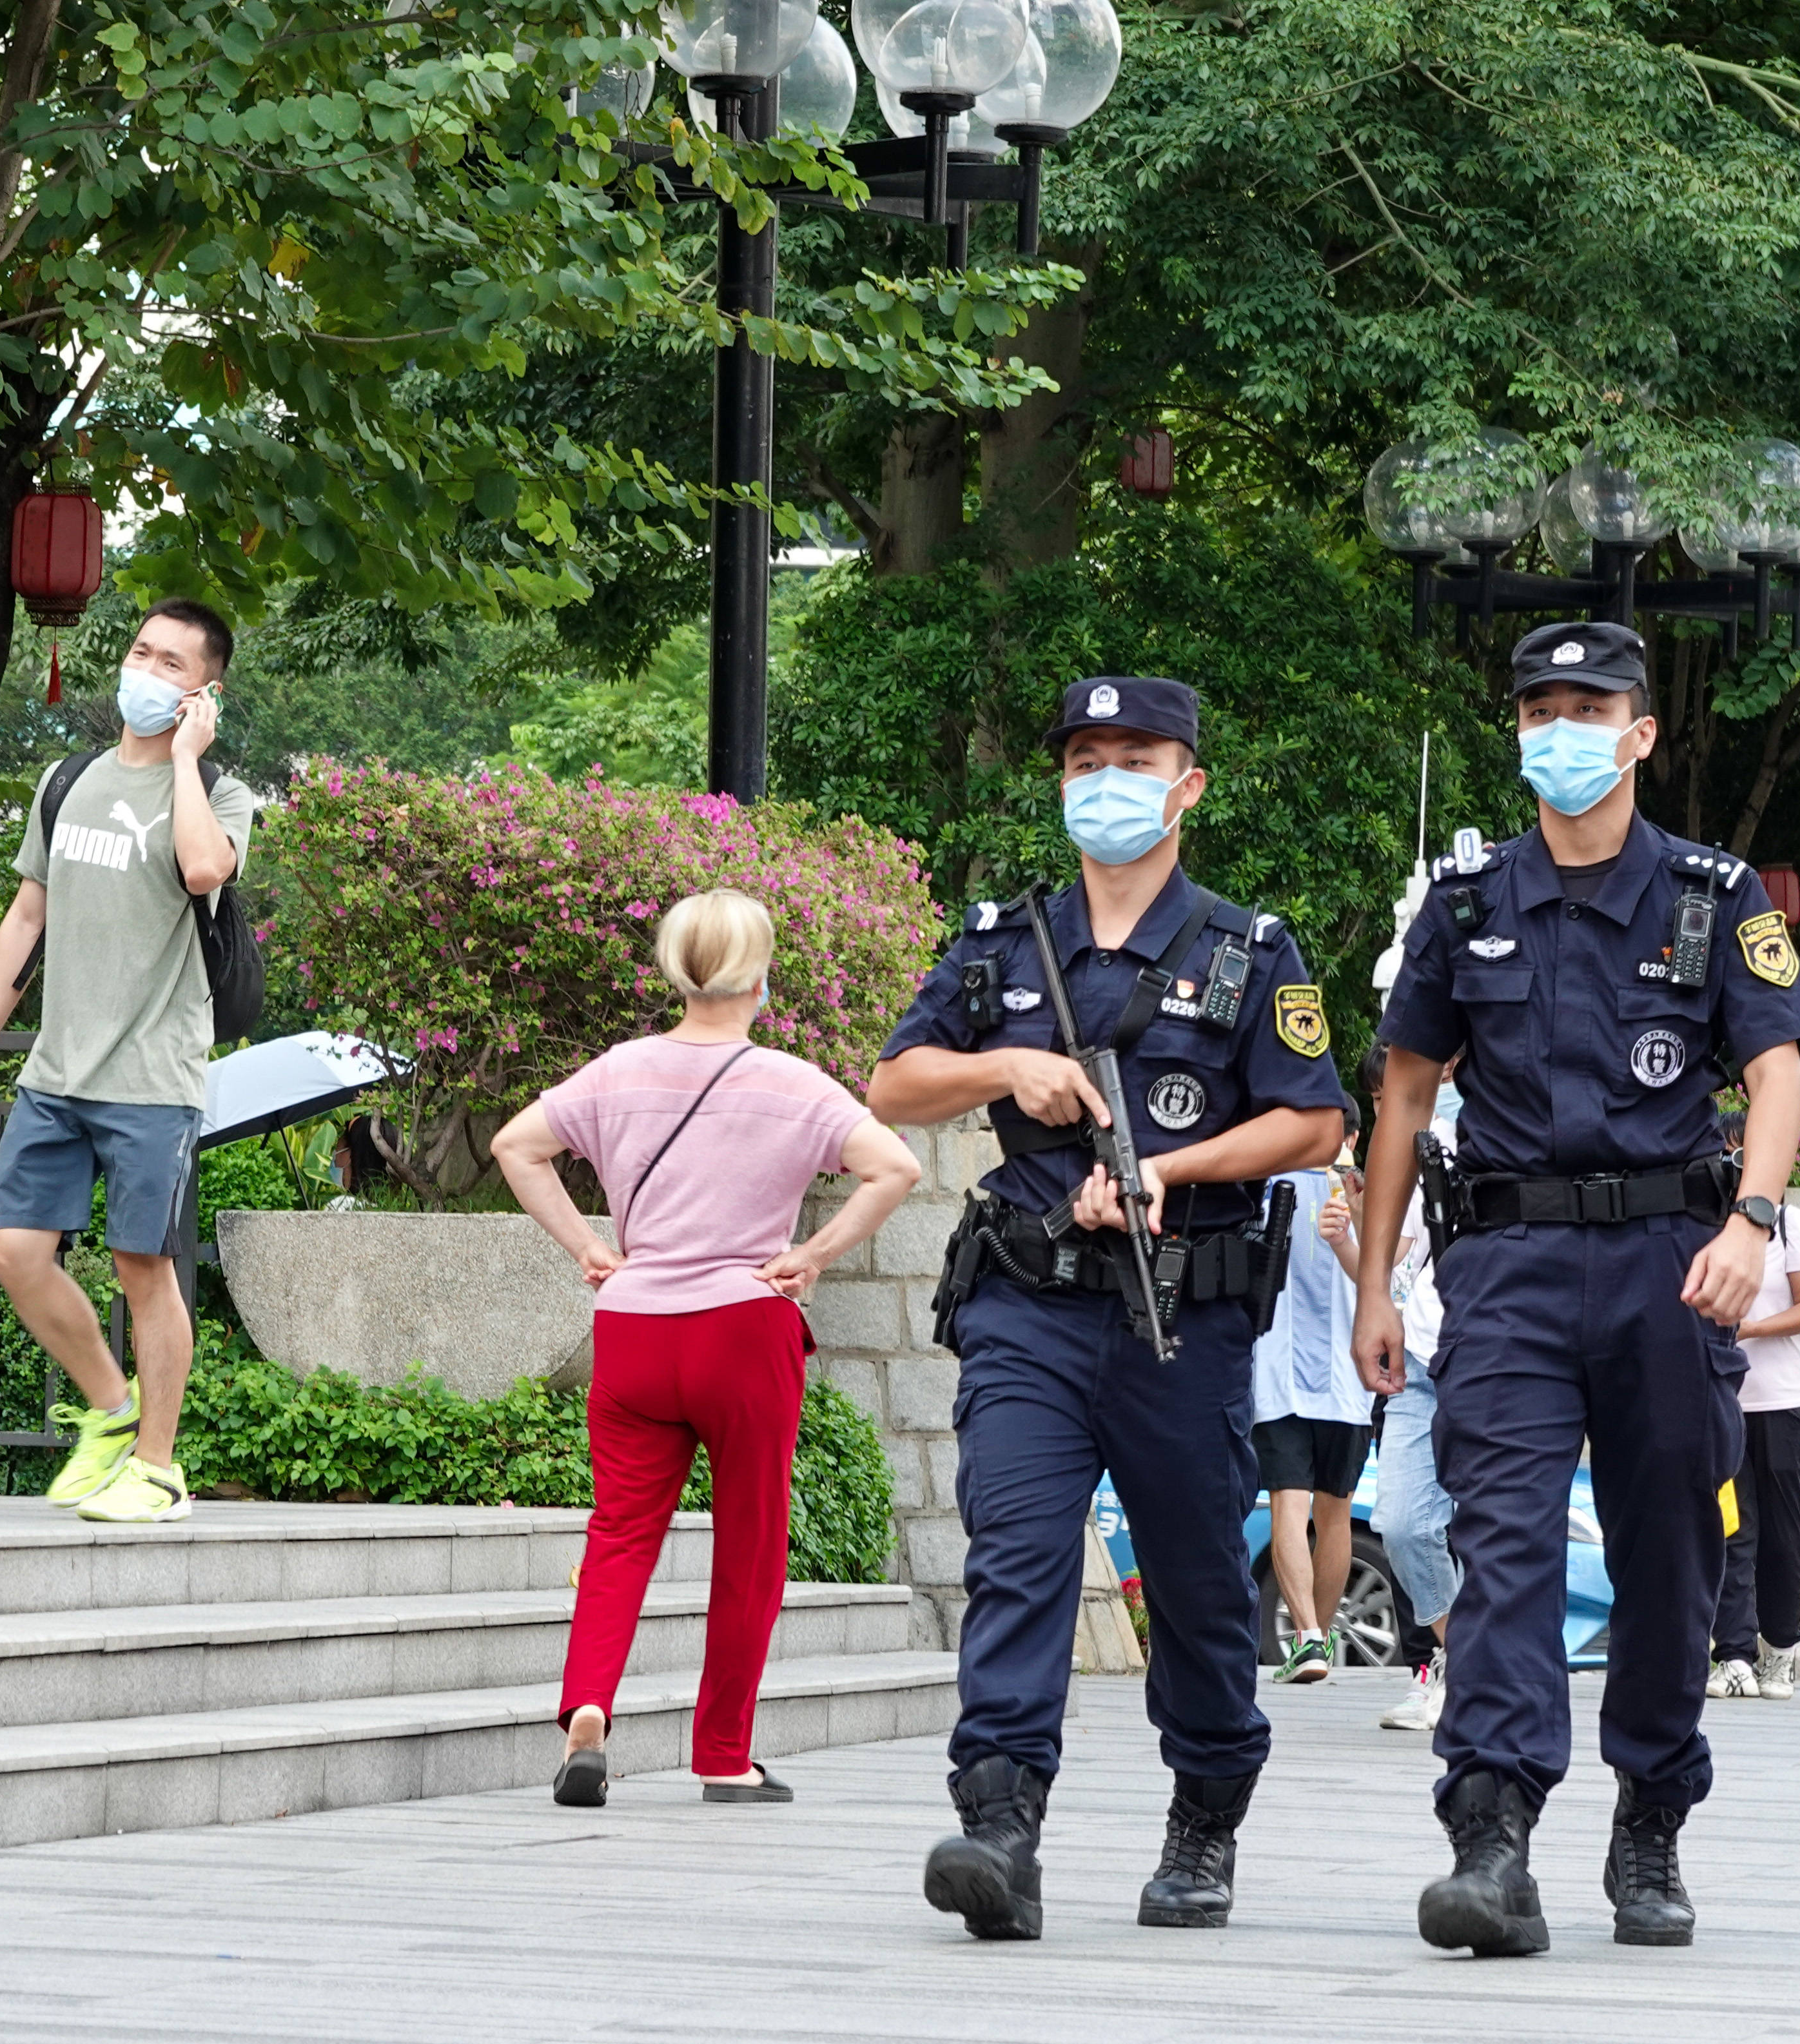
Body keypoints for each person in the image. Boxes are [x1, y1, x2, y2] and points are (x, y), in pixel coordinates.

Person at [1352, 620, 1800, 1957]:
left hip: (1671, 1266)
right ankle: (1492, 1833)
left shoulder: (1712, 892)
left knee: (1669, 1551)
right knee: (1501, 1539)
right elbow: (1401, 1096)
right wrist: (1377, 1288)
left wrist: (1754, 1219)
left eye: (1589, 707)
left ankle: (1652, 1818)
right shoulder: (1464, 905)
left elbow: (1779, 1071)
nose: (1562, 730)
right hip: (1504, 1266)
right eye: (1539, 709)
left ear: (1641, 732)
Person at [870, 674, 1345, 1942]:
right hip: (1028, 1308)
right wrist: (1002, 1064)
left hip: (1180, 1314)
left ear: (1188, 783)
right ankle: (999, 1824)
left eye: (1134, 757)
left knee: (1194, 1579)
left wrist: (1166, 1174)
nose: (1106, 779)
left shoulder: (1250, 951)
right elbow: (895, 1083)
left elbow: (1316, 1117)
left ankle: (1205, 1811)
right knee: (1017, 1554)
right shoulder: (1002, 942)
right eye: (1085, 757)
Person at [491, 890, 921, 1809]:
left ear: (672, 970)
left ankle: (587, 1711)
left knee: (618, 1534)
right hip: (744, 1324)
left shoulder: (619, 1071)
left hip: (635, 1325)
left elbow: (516, 1146)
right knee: (752, 1543)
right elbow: (898, 1168)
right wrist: (810, 1256)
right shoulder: (793, 1084)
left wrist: (587, 1246)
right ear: (760, 978)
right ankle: (724, 1754)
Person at [0, 599, 257, 1525]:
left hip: (152, 1079)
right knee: (13, 1251)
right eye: (140, 652)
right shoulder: (67, 780)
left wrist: (186, 761)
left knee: (142, 1269)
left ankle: (159, 1470)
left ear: (205, 691)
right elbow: (29, 914)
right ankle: (114, 1412)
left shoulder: (223, 792)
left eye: (172, 664)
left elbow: (204, 871)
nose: (147, 671)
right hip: (55, 1071)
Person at [1251, 1096, 1372, 1683]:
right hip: (1350, 1382)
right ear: (1353, 1132)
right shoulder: (1365, 1191)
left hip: (1278, 1377)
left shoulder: (1264, 1184)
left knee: (1289, 1506)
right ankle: (1317, 1640)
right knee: (1336, 1514)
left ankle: (1310, 1639)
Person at [1708, 1178, 1800, 1704]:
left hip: (1788, 1408)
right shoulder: (1703, 1227)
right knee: (1731, 1532)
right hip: (1724, 1408)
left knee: (1784, 1537)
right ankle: (1733, 1655)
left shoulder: (1788, 1224)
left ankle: (1779, 1649)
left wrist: (1752, 1330)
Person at [1371, 1047, 1461, 1733]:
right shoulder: (1410, 1125)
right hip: (1421, 1358)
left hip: (1500, 1355)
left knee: (1492, 1528)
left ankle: (1475, 1673)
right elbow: (1397, 1257)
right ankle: (1464, 1655)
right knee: (1401, 1522)